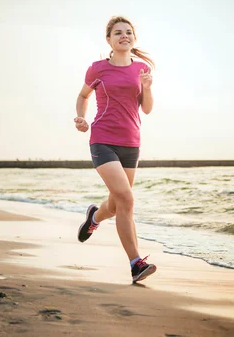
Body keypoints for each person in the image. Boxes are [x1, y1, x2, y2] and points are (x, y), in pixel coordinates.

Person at [74, 16, 156, 284]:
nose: (124, 36)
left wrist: (146, 87)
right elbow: (83, 96)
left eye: (129, 32)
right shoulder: (98, 69)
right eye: (118, 33)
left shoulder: (141, 69)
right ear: (108, 39)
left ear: (134, 38)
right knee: (127, 199)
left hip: (131, 142)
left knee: (117, 201)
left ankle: (94, 217)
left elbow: (146, 108)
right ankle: (136, 263)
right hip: (103, 139)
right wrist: (81, 117)